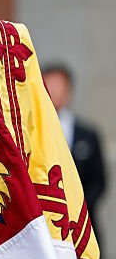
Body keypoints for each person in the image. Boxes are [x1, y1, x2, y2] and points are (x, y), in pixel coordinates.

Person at [43, 64, 107, 224]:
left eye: (58, 85)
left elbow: (98, 181)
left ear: (68, 90)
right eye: (49, 84)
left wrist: (77, 209)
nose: (53, 91)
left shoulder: (87, 135)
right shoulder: (29, 131)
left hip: (83, 221)